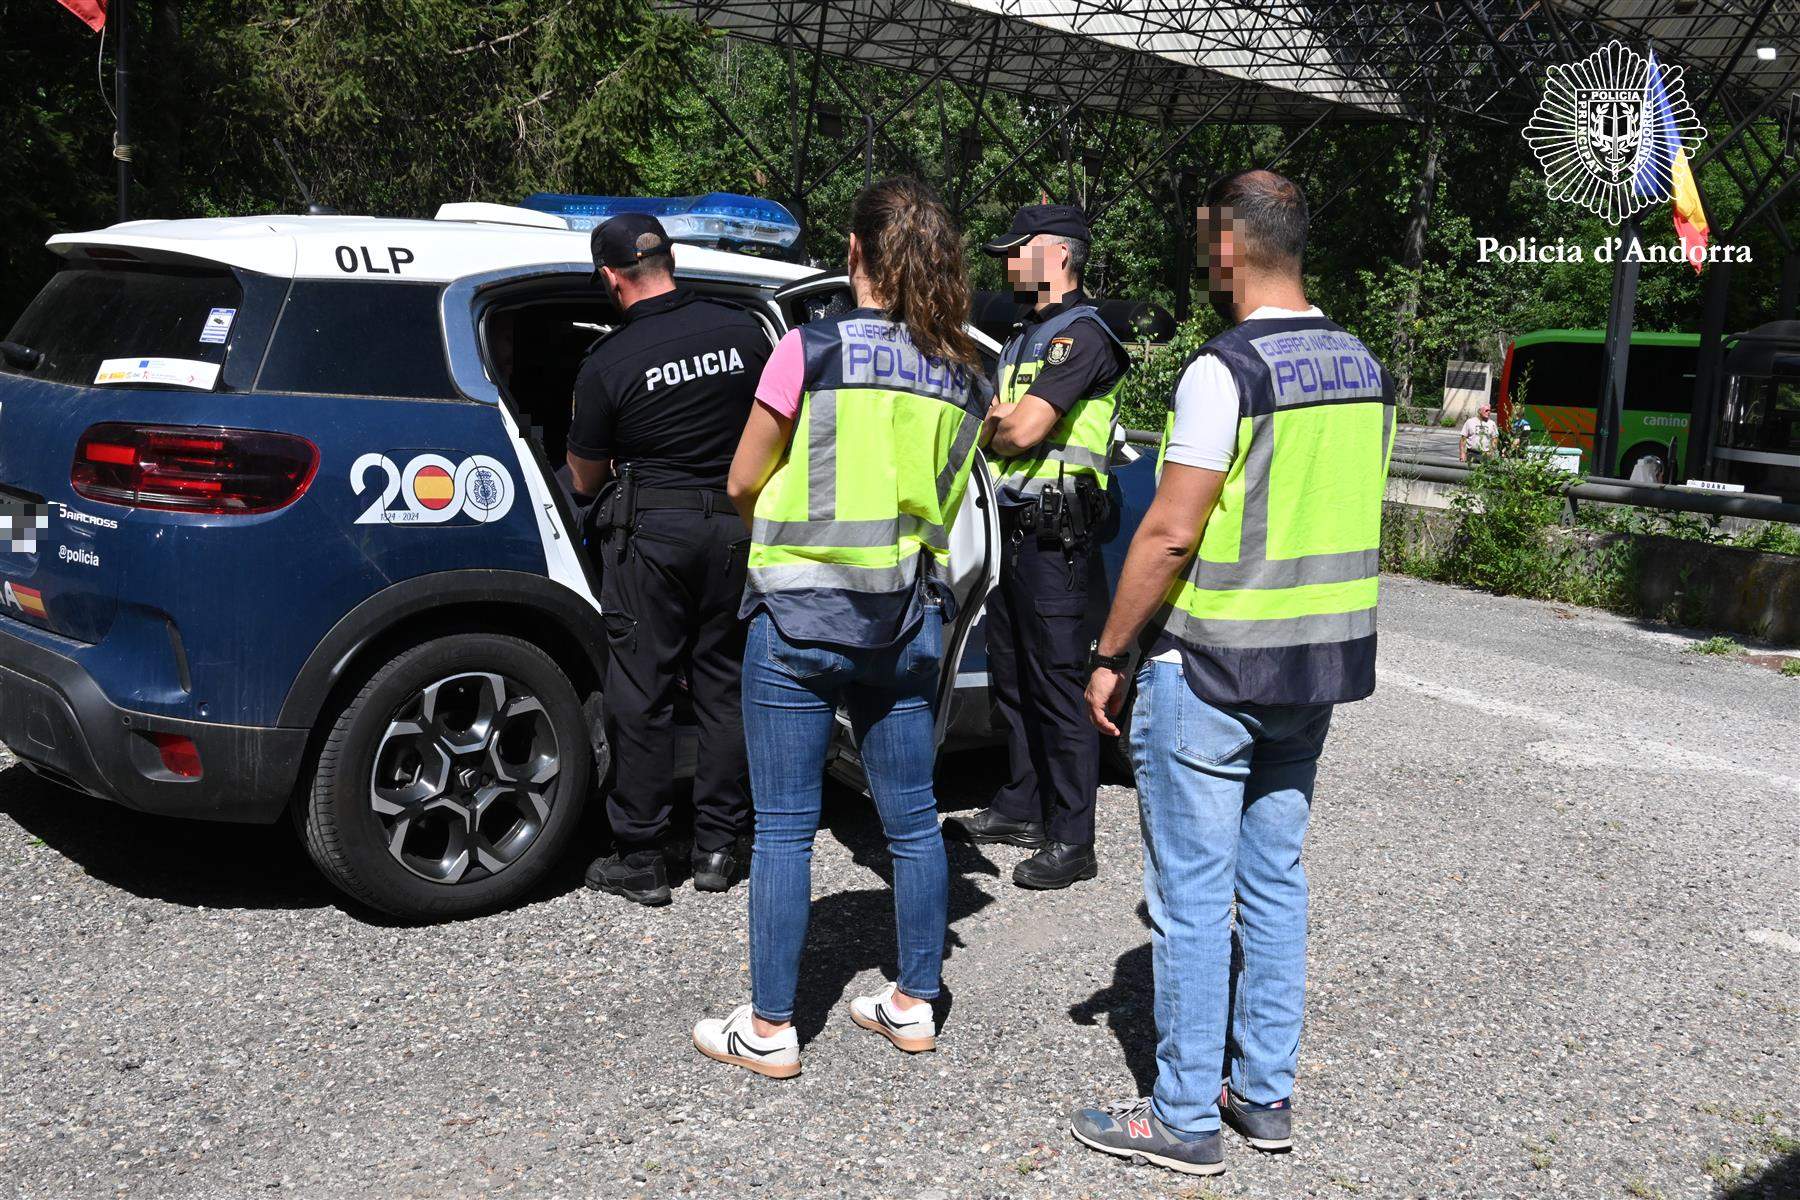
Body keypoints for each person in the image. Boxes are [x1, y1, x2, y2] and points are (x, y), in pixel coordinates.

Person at [1070, 170, 1395, 1175]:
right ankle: (1263, 1094)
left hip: (1210, 669)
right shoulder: (1366, 366)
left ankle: (1182, 1116)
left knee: (1194, 899)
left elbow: (1169, 533)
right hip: (1317, 672)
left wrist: (1111, 653)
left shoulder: (1226, 371)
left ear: (1226, 249)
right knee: (1276, 885)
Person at [690, 177, 990, 1077]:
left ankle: (772, 1027)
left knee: (785, 827)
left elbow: (743, 480)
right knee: (912, 819)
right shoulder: (965, 376)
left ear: (854, 254)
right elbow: (945, 502)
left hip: (796, 619)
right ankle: (913, 1003)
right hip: (903, 620)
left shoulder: (805, 353)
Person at [568, 213, 771, 907]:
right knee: (723, 687)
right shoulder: (743, 331)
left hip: (653, 536)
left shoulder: (609, 362)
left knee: (643, 690)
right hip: (735, 529)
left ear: (611, 277)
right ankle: (719, 847)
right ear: (669, 260)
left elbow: (586, 478)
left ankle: (644, 856)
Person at [942, 203, 1129, 891]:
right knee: (1013, 680)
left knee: (1057, 688)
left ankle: (1073, 839)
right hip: (1015, 533)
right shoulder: (1027, 335)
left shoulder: (1084, 336)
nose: (1007, 265)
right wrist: (1000, 421)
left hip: (1058, 538)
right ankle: (1021, 805)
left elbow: (1021, 432)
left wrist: (997, 425)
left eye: (1016, 252)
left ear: (1056, 255)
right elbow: (1000, 420)